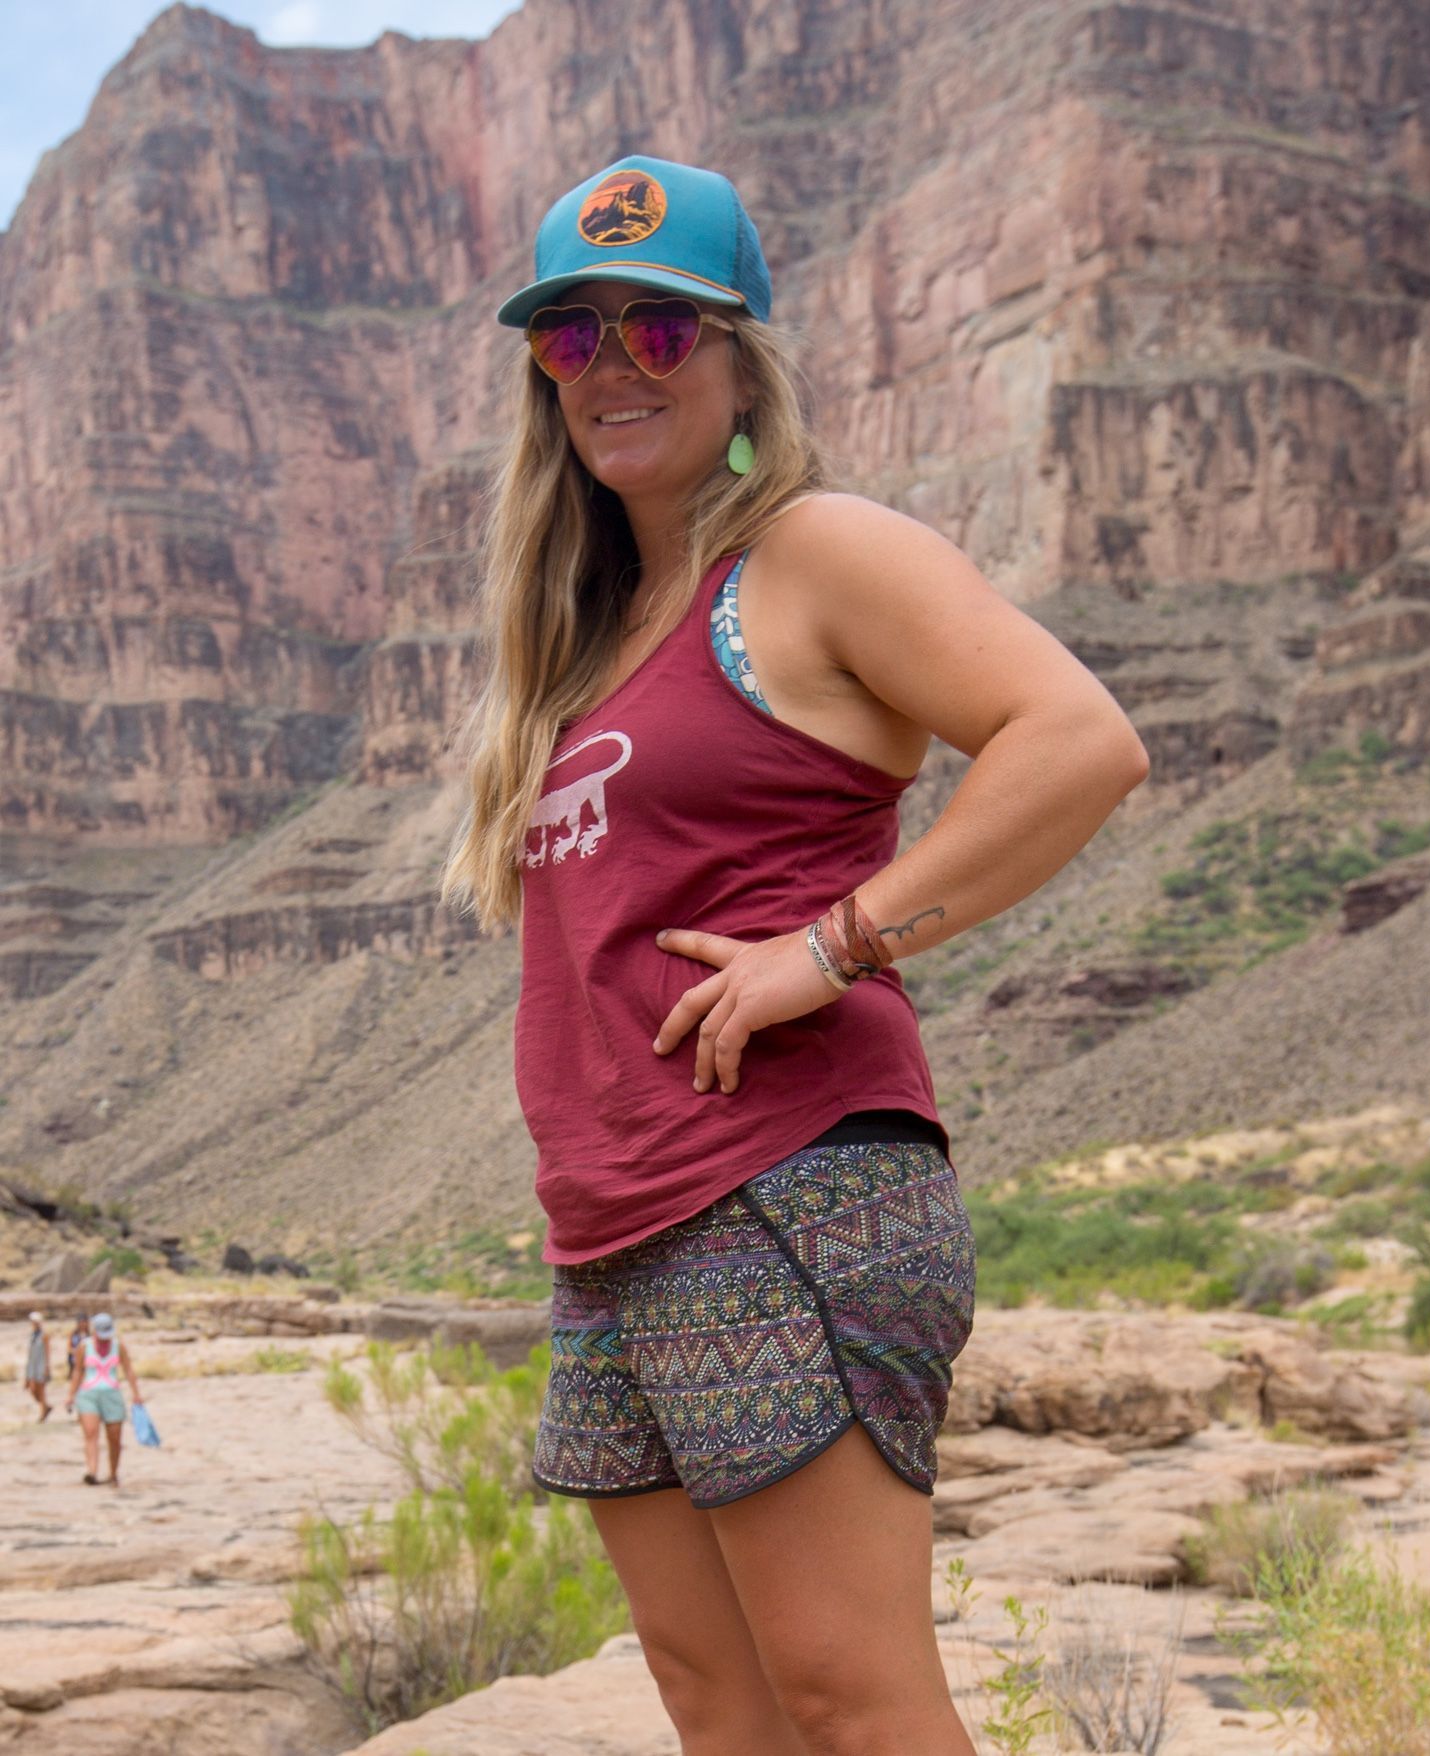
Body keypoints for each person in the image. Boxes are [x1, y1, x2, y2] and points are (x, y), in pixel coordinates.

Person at [442, 154, 1150, 1755]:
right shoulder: (599, 628)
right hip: (616, 1223)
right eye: (572, 339)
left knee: (850, 1700)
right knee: (717, 1699)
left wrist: (825, 952)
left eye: (661, 330)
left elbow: (1081, 742)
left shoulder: (811, 552)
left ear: (744, 355)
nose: (612, 365)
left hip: (787, 1188)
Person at [65, 1313, 143, 1487]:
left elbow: (129, 1370)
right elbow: (78, 1371)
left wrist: (136, 1393)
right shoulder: (84, 1347)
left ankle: (113, 1474)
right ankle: (92, 1472)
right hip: (88, 1394)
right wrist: (70, 1395)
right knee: (91, 1433)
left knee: (114, 1437)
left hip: (112, 1394)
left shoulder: (118, 1346)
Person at [23, 1311, 50, 1422]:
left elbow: (47, 1352)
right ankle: (46, 1407)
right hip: (32, 1366)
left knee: (41, 1390)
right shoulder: (32, 1335)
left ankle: (43, 1413)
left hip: (41, 1365)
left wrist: (47, 1367)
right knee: (32, 1390)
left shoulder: (44, 1335)